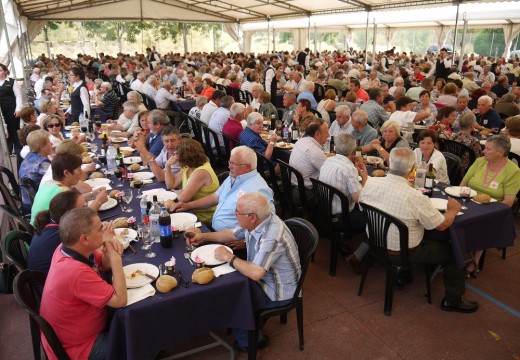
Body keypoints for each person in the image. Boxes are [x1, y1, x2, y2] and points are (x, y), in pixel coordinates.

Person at [360, 147, 479, 313]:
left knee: (410, 230)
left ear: (388, 163)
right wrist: (452, 211)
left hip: (375, 244)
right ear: (412, 169)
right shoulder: (415, 196)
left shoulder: (370, 183)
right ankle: (453, 300)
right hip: (401, 252)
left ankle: (403, 275)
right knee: (454, 251)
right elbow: (442, 225)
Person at [185, 192, 300, 351]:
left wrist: (229, 257)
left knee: (234, 295)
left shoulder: (272, 235)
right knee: (230, 285)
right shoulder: (258, 219)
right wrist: (203, 237)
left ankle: (251, 341)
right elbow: (231, 233)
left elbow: (256, 273)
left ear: (252, 217)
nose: (234, 214)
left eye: (237, 212)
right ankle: (241, 324)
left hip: (278, 291)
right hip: (265, 277)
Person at [40, 207, 127, 359]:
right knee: (137, 336)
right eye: (100, 229)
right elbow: (120, 300)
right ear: (84, 239)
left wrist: (108, 247)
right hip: (80, 348)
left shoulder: (65, 248)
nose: (104, 231)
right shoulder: (75, 272)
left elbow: (103, 264)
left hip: (75, 333)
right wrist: (115, 258)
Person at [171, 146, 274, 233]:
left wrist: (245, 241)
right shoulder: (234, 176)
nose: (229, 167)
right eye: (230, 162)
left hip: (230, 240)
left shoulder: (259, 189)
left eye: (233, 164)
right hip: (214, 229)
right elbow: (216, 197)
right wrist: (188, 205)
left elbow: (268, 224)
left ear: (247, 167)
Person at [460, 135, 520, 277]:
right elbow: (463, 184)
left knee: (482, 223)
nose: (483, 151)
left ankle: (474, 262)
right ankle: (456, 251)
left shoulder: (513, 172)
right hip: (469, 201)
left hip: (494, 210)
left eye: (487, 148)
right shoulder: (480, 162)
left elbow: (508, 202)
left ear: (500, 152)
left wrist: (485, 210)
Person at [318, 133, 369, 273]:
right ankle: (358, 256)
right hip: (341, 218)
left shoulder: (328, 161)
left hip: (324, 211)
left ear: (335, 147)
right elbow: (358, 198)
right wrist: (364, 178)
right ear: (353, 152)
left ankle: (343, 241)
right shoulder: (348, 169)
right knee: (377, 220)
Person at [31, 153, 108, 224]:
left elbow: (72, 201)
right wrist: (99, 201)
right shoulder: (63, 191)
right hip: (52, 233)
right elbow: (82, 220)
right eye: (78, 169)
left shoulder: (49, 183)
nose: (81, 173)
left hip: (39, 229)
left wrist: (92, 194)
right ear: (66, 173)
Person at [28, 190, 86, 273]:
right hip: (47, 282)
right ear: (68, 216)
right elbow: (90, 259)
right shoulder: (63, 236)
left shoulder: (52, 221)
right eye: (83, 208)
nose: (87, 211)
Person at [164, 139, 219, 223]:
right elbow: (171, 185)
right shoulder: (188, 166)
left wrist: (180, 192)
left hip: (204, 217)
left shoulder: (201, 172)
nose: (175, 156)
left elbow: (183, 198)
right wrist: (167, 166)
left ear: (184, 156)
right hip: (190, 211)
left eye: (177, 153)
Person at [18, 129, 53, 212]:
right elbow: (61, 177)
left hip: (26, 200)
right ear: (42, 147)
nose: (51, 144)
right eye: (49, 142)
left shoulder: (30, 155)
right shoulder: (42, 164)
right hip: (35, 206)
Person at [289, 119, 329, 190]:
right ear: (317, 134)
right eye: (326, 132)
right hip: (306, 192)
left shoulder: (301, 141)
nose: (328, 135)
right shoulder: (315, 152)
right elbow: (329, 173)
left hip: (292, 185)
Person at [0, 63, 23, 157]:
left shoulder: (12, 82)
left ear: (5, 71)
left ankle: (18, 149)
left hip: (12, 108)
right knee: (5, 130)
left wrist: (18, 109)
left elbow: (18, 96)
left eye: (0, 70)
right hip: (1, 110)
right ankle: (8, 150)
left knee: (14, 128)